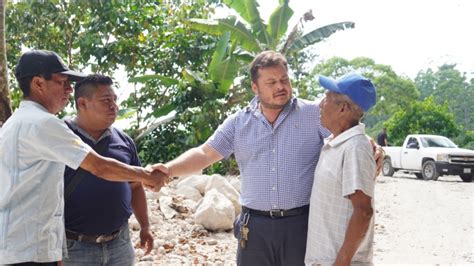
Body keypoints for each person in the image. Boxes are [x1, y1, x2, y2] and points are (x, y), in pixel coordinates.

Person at [152, 51, 383, 266]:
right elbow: (205, 153)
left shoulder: (314, 114)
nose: (280, 87)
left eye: (284, 80)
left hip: (301, 226)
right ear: (255, 87)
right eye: (271, 83)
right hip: (254, 228)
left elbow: (347, 132)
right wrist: (168, 169)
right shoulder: (238, 123)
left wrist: (374, 147)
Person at [0, 50, 166, 265]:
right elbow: (99, 167)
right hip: (31, 251)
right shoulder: (43, 123)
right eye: (62, 82)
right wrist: (147, 175)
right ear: (38, 84)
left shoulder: (18, 122)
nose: (69, 90)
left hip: (30, 247)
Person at [62, 74, 153, 265]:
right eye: (105, 101)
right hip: (74, 248)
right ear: (82, 103)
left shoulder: (124, 140)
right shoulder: (61, 137)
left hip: (119, 243)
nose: (114, 106)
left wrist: (145, 226)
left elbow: (136, 186)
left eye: (114, 100)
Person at [305, 73, 377, 265]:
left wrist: (341, 262)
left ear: (343, 108)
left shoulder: (355, 148)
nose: (321, 104)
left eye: (326, 97)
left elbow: (363, 211)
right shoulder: (336, 143)